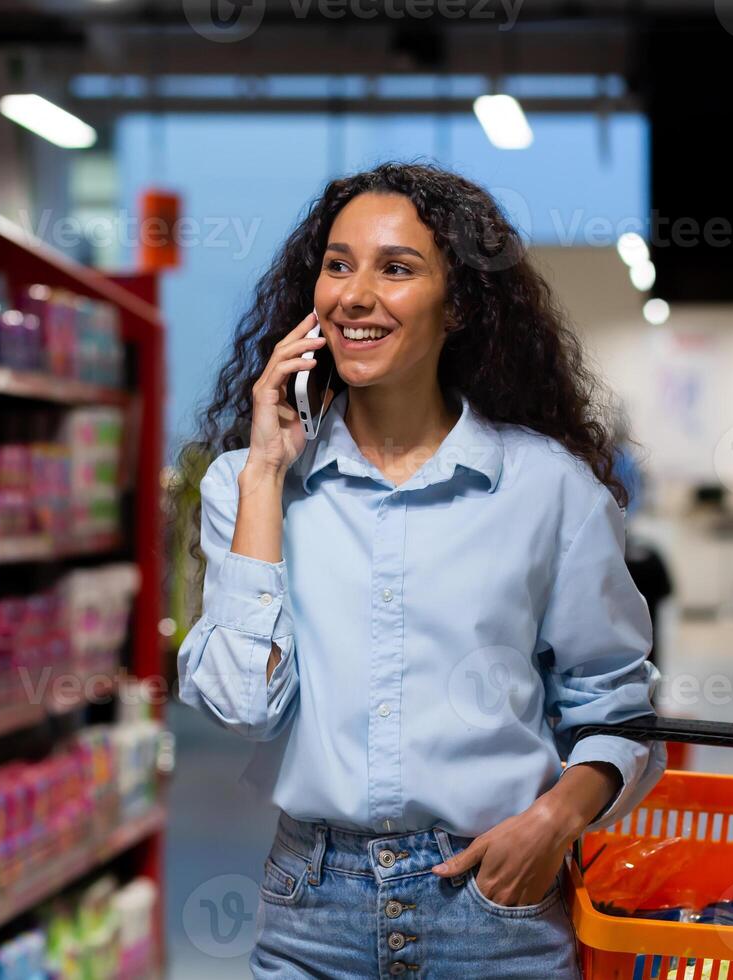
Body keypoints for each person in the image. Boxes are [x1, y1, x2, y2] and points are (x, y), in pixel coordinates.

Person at [176, 161, 666, 979]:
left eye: (396, 269)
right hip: (310, 912)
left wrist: (551, 824)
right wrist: (265, 472)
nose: (354, 295)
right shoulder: (249, 483)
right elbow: (240, 706)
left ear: (462, 304)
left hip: (495, 905)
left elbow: (616, 704)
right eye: (338, 265)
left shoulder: (547, 488)